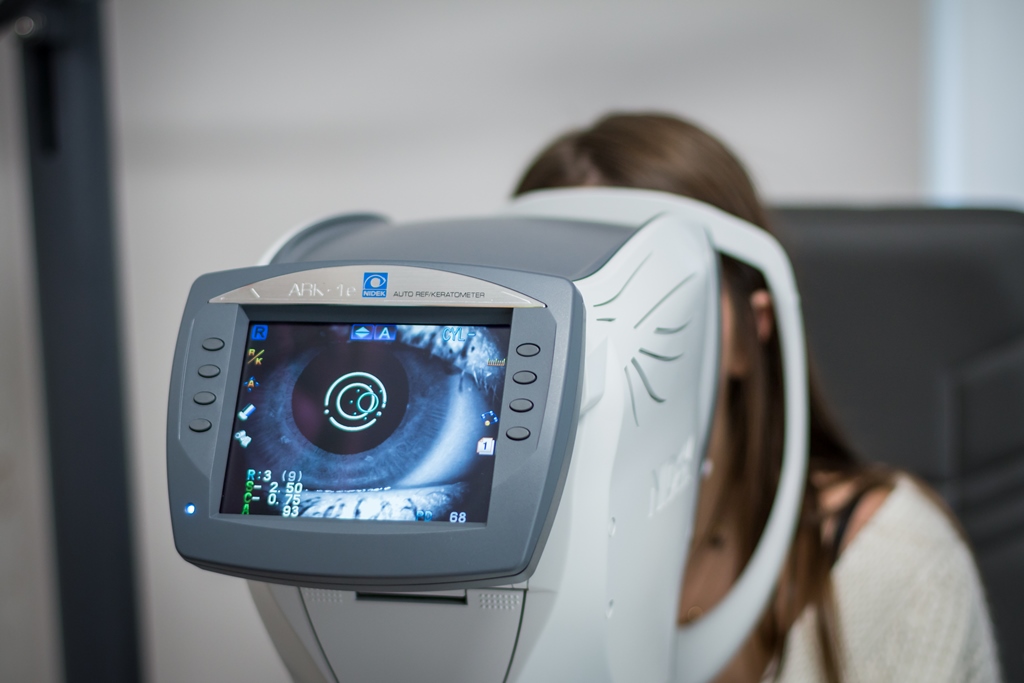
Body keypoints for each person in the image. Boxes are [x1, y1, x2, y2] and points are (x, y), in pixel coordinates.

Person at [514, 113, 1001, 683]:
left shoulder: (895, 561)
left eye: (651, 294)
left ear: (750, 332)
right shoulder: (491, 563)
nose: (599, 338)